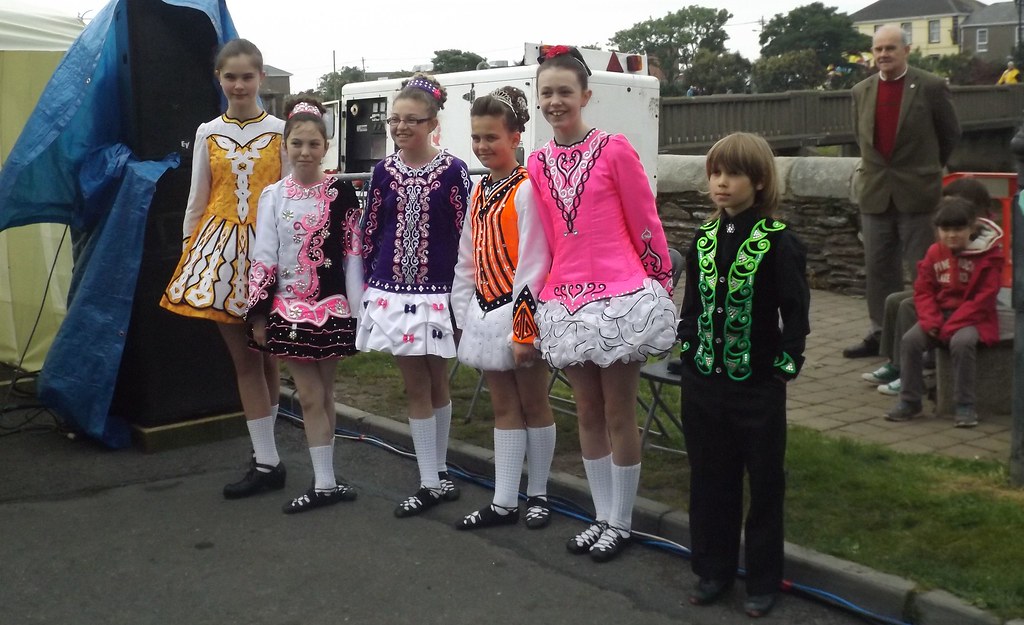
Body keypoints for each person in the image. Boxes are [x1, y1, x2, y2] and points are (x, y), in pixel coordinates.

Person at [526, 46, 677, 562]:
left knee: (618, 412)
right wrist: (541, 298)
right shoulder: (538, 162)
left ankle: (624, 521)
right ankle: (601, 515)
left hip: (619, 298)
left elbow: (645, 221)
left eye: (565, 91)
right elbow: (548, 237)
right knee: (587, 412)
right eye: (547, 92)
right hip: (565, 304)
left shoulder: (615, 149)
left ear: (586, 96)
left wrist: (658, 284)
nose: (555, 101)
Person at [676, 132, 810, 618]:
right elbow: (691, 305)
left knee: (765, 483)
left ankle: (762, 578)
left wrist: (783, 368)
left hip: (757, 387)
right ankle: (712, 570)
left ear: (758, 181)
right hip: (704, 384)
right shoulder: (704, 239)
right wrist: (689, 345)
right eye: (715, 173)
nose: (721, 183)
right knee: (711, 479)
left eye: (732, 174)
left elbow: (796, 313)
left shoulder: (779, 242)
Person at [160, 39, 288, 499]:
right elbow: (198, 197)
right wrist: (190, 255)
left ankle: (267, 457)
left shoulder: (279, 131)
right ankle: (267, 457)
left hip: (269, 252)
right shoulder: (208, 131)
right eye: (230, 77)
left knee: (267, 355)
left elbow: (290, 196)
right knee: (247, 360)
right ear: (219, 78)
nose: (238, 84)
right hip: (220, 253)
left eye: (246, 77)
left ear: (260, 79)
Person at [356, 73, 471, 518]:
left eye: (412, 120)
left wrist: (464, 293)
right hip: (394, 292)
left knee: (438, 380)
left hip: (439, 293)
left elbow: (466, 234)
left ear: (432, 122)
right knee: (415, 384)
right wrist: (367, 285)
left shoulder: (455, 171)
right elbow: (370, 231)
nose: (402, 128)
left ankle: (438, 472)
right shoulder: (384, 171)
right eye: (395, 121)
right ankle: (429, 479)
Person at [246, 98, 362, 513]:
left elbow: (353, 253)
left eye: (314, 144)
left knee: (326, 394)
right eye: (297, 144)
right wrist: (258, 312)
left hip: (332, 308)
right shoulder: (273, 195)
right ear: (285, 145)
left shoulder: (341, 191)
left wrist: (357, 312)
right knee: (311, 396)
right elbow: (265, 254)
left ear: (326, 146)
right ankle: (325, 483)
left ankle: (326, 479)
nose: (305, 152)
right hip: (289, 309)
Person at [450, 87, 556, 530]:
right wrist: (462, 315)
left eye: (491, 137)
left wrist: (524, 328)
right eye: (476, 138)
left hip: (520, 313)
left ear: (515, 137)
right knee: (503, 407)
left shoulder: (528, 190)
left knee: (535, 402)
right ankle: (504, 499)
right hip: (484, 310)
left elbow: (534, 261)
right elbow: (466, 257)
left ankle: (540, 494)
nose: (482, 146)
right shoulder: (478, 191)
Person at [844, 24, 961, 359]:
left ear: (906, 51)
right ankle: (881, 335)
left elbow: (950, 134)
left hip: (918, 193)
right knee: (879, 270)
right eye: (878, 49)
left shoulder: (931, 86)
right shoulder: (860, 90)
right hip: (876, 192)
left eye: (890, 49)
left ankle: (925, 337)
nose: (883, 55)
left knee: (923, 269)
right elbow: (861, 139)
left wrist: (925, 170)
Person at [862, 178, 1000, 395]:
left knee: (908, 305)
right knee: (893, 300)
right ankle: (895, 362)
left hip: (962, 305)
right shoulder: (947, 229)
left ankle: (915, 370)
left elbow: (983, 291)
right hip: (943, 294)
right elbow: (927, 280)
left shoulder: (980, 237)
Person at [885, 197, 1004, 426]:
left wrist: (953, 325)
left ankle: (964, 405)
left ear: (972, 227)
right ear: (937, 230)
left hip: (974, 319)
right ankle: (911, 401)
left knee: (962, 343)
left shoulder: (989, 256)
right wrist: (930, 320)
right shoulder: (934, 253)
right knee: (910, 340)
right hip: (939, 315)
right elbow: (923, 290)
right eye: (945, 229)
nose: (951, 235)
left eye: (958, 229)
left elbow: (984, 298)